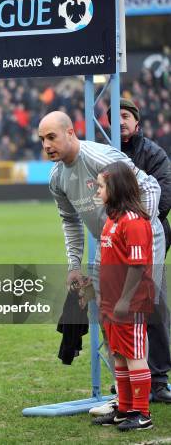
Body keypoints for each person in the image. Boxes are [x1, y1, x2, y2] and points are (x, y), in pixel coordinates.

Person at [40, 111, 166, 412]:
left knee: (134, 317)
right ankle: (123, 399)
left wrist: (133, 229)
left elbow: (151, 188)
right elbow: (69, 222)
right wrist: (73, 264)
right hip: (106, 244)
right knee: (109, 322)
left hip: (140, 239)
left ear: (71, 132)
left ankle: (143, 400)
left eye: (51, 137)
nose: (46, 145)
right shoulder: (57, 177)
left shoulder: (100, 157)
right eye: (42, 140)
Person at [109, 98, 171, 403]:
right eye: (113, 117)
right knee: (117, 305)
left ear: (137, 121)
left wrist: (132, 220)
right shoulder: (105, 152)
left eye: (125, 115)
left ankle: (157, 378)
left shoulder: (154, 154)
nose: (119, 121)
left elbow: (165, 195)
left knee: (151, 302)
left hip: (150, 233)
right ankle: (125, 377)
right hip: (114, 236)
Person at [91, 162, 155, 430]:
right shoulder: (112, 220)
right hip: (111, 302)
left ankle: (142, 413)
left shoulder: (134, 222)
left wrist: (125, 300)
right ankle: (125, 408)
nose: (97, 189)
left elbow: (138, 266)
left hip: (131, 303)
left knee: (134, 355)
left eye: (101, 185)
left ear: (115, 188)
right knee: (118, 353)